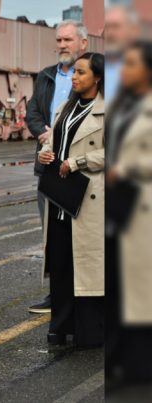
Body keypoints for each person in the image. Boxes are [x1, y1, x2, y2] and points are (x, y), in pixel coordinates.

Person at [38, 52, 105, 347]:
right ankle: (61, 325)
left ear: (98, 78)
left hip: (88, 196)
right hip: (60, 194)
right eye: (74, 72)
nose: (74, 77)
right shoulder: (66, 106)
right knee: (62, 261)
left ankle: (89, 332)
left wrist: (78, 162)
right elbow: (54, 141)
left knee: (87, 265)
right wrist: (45, 153)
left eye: (80, 72)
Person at [24, 20, 88, 314]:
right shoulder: (46, 76)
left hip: (82, 167)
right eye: (59, 40)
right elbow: (33, 112)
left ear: (83, 44)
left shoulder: (96, 76)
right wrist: (42, 133)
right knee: (51, 235)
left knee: (85, 234)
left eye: (68, 40)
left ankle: (88, 295)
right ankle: (56, 295)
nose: (62, 45)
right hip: (48, 163)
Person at [105, 41, 152, 383]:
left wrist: (124, 167)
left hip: (142, 206)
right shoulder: (124, 105)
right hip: (119, 207)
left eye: (131, 64)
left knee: (140, 294)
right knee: (121, 289)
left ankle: (139, 368)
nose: (124, 69)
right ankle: (122, 361)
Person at [104, 6, 140, 105]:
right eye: (107, 27)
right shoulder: (96, 65)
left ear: (134, 31)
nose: (110, 33)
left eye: (116, 26)